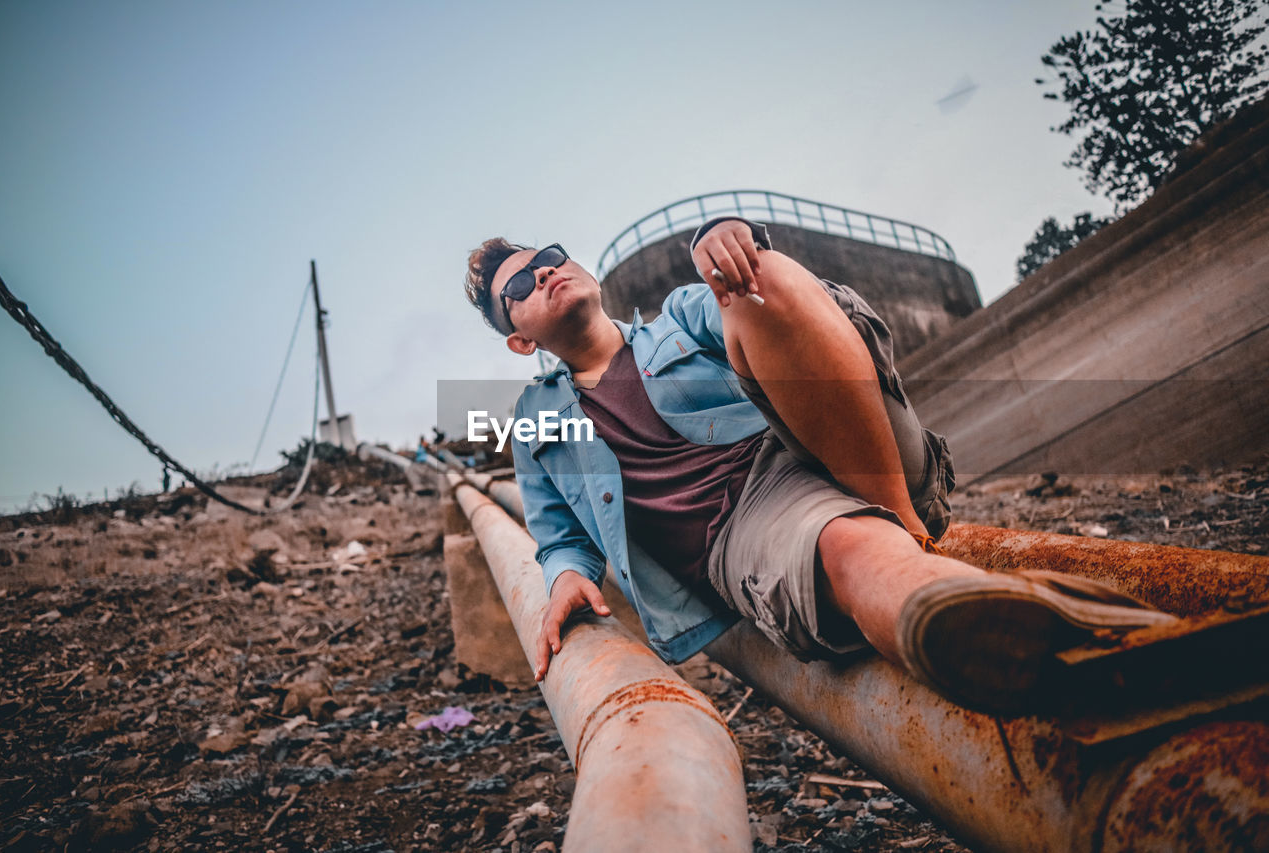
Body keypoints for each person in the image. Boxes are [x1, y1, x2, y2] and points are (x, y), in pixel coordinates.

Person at [463, 217, 1175, 714]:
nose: (544, 271)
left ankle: (909, 539)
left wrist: (732, 245)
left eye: (546, 254)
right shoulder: (537, 420)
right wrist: (564, 581)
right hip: (751, 517)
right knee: (844, 542)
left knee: (751, 277)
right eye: (519, 288)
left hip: (845, 442)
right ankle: (1038, 630)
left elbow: (810, 321)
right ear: (520, 343)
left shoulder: (679, 319)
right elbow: (561, 536)